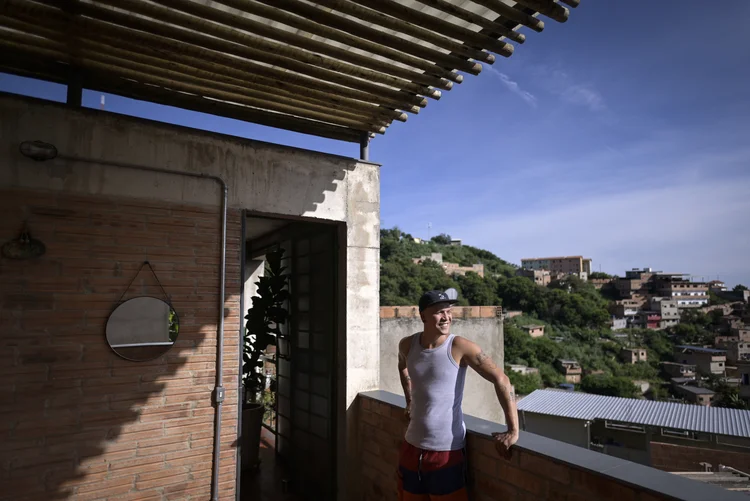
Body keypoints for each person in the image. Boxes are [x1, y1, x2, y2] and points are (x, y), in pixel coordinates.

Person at [396, 290, 519, 500]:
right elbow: (402, 366)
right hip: (411, 447)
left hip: (446, 451)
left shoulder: (459, 347)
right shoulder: (407, 344)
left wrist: (513, 429)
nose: (446, 317)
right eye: (438, 312)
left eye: (448, 311)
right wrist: (409, 401)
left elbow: (502, 379)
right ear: (423, 315)